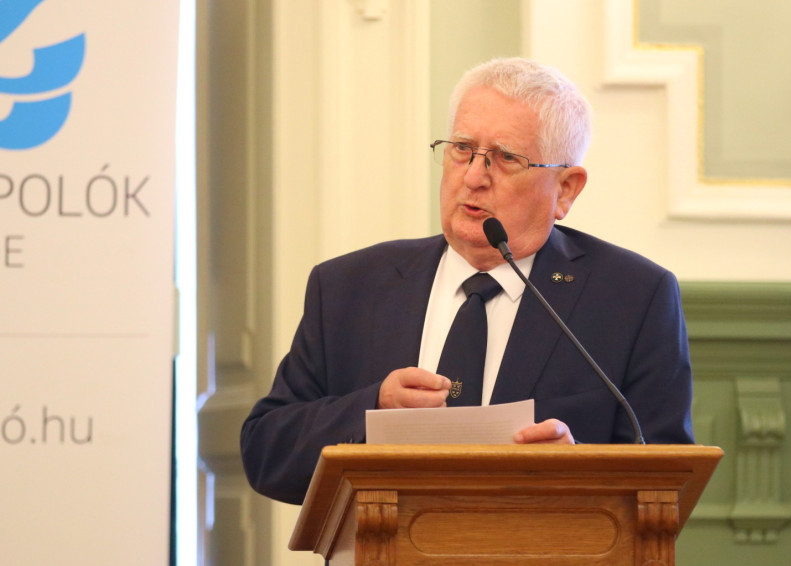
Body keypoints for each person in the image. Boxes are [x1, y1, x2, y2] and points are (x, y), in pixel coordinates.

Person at [241, 57, 694, 505]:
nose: (473, 177)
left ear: (566, 189)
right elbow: (266, 453)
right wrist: (373, 410)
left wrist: (576, 474)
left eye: (506, 158)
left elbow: (665, 489)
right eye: (461, 148)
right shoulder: (349, 286)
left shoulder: (632, 298)